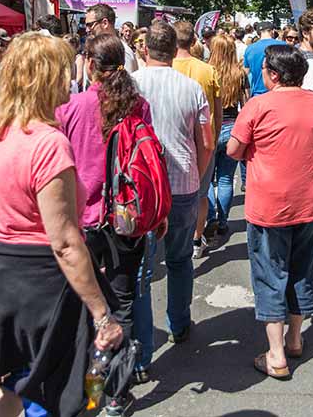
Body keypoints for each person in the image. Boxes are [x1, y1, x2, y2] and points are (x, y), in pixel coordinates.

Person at [0, 33, 124, 416]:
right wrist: (102, 313)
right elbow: (65, 241)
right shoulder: (48, 142)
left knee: (14, 385)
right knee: (51, 393)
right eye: (65, 70)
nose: (71, 77)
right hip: (42, 286)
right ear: (47, 78)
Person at [56, 33, 153, 415]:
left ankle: (83, 382)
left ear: (90, 64)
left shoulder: (72, 107)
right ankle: (116, 392)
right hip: (125, 218)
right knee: (123, 300)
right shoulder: (136, 104)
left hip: (80, 220)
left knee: (82, 300)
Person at [226, 45, 313, 379]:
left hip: (271, 203)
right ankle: (295, 338)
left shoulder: (259, 105)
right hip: (312, 200)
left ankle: (276, 354)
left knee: (270, 274)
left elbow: (233, 149)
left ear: (272, 74)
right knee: (303, 269)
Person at [132, 21, 211, 377]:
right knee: (180, 260)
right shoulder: (192, 88)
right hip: (182, 186)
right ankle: (179, 323)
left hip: (141, 191)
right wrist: (197, 169)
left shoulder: (131, 85)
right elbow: (205, 142)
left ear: (145, 49)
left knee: (141, 271)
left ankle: (143, 350)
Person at [172, 21, 222, 259]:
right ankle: (195, 239)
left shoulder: (165, 67)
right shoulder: (207, 70)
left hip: (174, 139)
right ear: (194, 41)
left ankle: (175, 235)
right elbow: (218, 111)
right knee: (201, 193)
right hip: (204, 140)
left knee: (173, 191)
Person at [206, 34, 247, 238]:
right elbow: (246, 104)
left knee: (206, 179)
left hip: (212, 127)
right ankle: (222, 221)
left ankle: (211, 218)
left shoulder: (207, 71)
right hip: (233, 128)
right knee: (225, 179)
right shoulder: (239, 73)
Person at [85, 4, 138, 73]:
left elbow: (125, 81)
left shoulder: (122, 52)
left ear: (105, 23)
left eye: (90, 25)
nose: (87, 30)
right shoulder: (95, 48)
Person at [242, 22, 284, 98]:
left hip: (258, 95)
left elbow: (245, 73)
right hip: (280, 93)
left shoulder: (249, 49)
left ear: (258, 34)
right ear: (273, 31)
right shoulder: (283, 46)